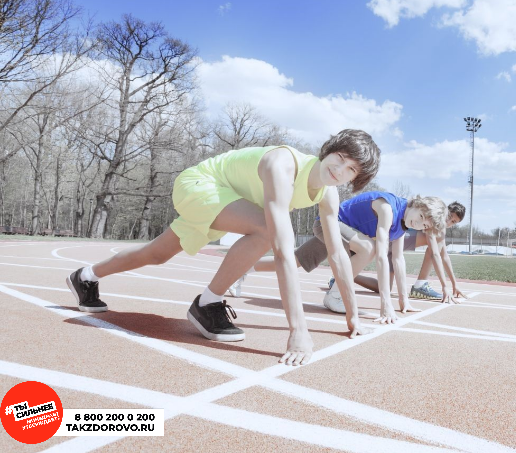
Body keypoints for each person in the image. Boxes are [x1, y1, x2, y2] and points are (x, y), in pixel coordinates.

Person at [65, 129, 380, 366]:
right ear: (328, 151)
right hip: (203, 186)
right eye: (339, 158)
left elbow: (338, 254)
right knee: (267, 229)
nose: (339, 169)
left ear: (356, 179)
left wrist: (352, 318)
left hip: (233, 204)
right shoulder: (283, 164)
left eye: (350, 169)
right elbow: (284, 252)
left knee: (156, 254)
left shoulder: (327, 193)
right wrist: (298, 330)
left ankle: (87, 276)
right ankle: (208, 302)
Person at [241, 192, 447, 324]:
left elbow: (398, 261)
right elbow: (382, 257)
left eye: (424, 225)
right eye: (420, 216)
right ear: (416, 204)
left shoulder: (403, 226)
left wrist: (403, 301)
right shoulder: (388, 208)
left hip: (347, 236)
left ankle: (242, 269)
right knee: (369, 248)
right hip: (328, 224)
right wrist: (385, 303)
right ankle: (335, 295)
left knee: (295, 261)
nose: (418, 224)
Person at [344, 201, 467, 303]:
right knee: (434, 246)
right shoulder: (432, 221)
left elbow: (444, 256)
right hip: (393, 241)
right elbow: (435, 253)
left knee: (385, 287)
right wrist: (444, 286)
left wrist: (454, 284)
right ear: (445, 211)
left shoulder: (441, 231)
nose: (448, 222)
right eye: (449, 217)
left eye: (453, 222)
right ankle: (420, 285)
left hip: (394, 247)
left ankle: (346, 276)